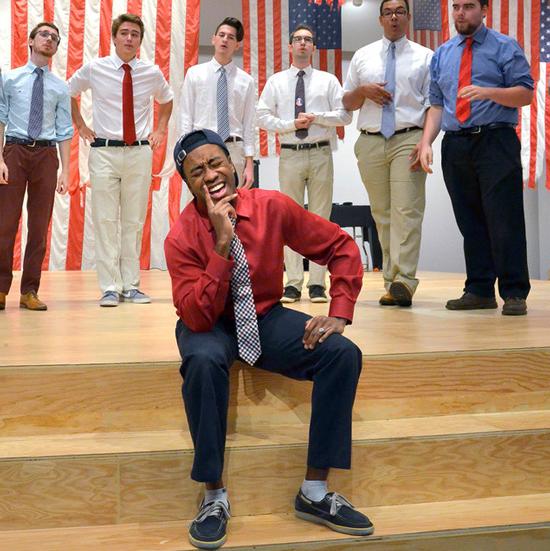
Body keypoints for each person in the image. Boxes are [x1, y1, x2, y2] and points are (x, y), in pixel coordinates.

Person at [165, 129, 373, 550]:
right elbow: (197, 314)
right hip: (209, 322)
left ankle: (314, 493)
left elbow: (341, 246)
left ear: (236, 165)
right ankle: (213, 496)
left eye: (215, 163)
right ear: (188, 185)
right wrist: (221, 245)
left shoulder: (271, 206)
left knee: (341, 354)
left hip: (262, 315)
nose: (210, 175)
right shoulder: (181, 237)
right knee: (203, 362)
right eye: (197, 172)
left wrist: (339, 311)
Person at [416, 0, 533, 315]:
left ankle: (513, 293)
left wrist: (489, 92)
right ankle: (479, 289)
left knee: (503, 218)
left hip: (496, 140)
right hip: (456, 145)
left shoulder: (505, 47)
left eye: (468, 6)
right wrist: (426, 142)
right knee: (470, 221)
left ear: (484, 10)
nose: (460, 13)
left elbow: (525, 93)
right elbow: (437, 104)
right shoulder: (442, 54)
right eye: (455, 7)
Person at [69, 13, 173, 307]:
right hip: (103, 151)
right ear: (114, 38)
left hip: (139, 152)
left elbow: (167, 99)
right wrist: (81, 125)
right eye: (124, 33)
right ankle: (109, 287)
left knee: (133, 221)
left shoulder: (150, 72)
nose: (129, 38)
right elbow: (69, 92)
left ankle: (131, 285)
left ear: (140, 40)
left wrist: (161, 129)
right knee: (104, 220)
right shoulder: (95, 68)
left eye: (135, 34)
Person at [343, 0, 432, 308]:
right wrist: (363, 91)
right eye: (388, 13)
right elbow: (348, 102)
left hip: (409, 137)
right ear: (380, 19)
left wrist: (428, 141)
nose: (394, 17)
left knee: (407, 210)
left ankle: (404, 280)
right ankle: (390, 280)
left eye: (400, 12)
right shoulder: (363, 56)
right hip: (370, 140)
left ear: (407, 17)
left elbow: (434, 104)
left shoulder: (425, 57)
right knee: (381, 214)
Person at [257, 24, 352, 304]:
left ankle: (318, 284)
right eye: (297, 40)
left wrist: (318, 117)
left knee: (321, 218)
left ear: (313, 48)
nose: (302, 44)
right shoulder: (276, 81)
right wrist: (290, 124)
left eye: (307, 40)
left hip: (321, 152)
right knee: (289, 219)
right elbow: (261, 117)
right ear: (289, 47)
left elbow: (345, 116)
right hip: (290, 152)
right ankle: (294, 282)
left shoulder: (328, 80)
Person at [0, 22, 73, 312]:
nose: (49, 40)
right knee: (5, 224)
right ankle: (0, 288)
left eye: (55, 38)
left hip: (46, 155)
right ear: (31, 41)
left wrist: (66, 170)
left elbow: (65, 130)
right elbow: (1, 120)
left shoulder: (60, 86)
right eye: (44, 35)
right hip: (15, 151)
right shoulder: (10, 78)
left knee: (39, 227)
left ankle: (29, 290)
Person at [179, 17, 255, 189]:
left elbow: (249, 124)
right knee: (201, 205)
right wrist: (185, 154)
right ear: (213, 39)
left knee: (234, 205)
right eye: (221, 35)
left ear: (237, 45)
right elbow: (185, 116)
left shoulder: (246, 81)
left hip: (234, 150)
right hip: (201, 148)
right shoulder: (195, 74)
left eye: (231, 37)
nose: (225, 39)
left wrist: (249, 162)